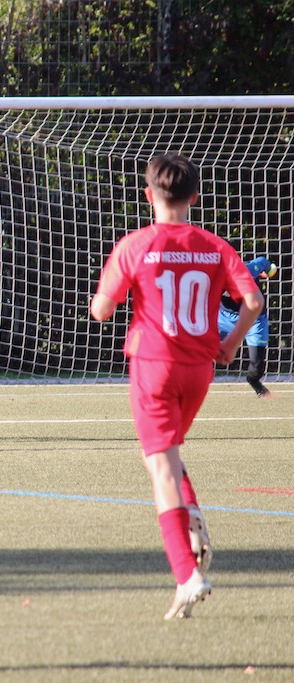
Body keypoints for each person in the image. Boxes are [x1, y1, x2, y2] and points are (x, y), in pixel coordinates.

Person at [90, 153, 263, 620]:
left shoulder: (136, 244)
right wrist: (230, 343)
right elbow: (252, 300)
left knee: (160, 469)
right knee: (166, 456)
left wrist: (103, 297)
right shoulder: (214, 246)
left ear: (149, 195)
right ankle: (192, 510)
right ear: (195, 197)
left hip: (154, 365)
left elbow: (103, 310)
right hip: (200, 369)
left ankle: (187, 574)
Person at [218, 256, 277, 398]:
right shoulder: (214, 278)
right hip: (225, 318)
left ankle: (254, 381)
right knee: (205, 352)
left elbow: (265, 263)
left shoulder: (250, 269)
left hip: (255, 319)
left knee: (257, 366)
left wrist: (268, 271)